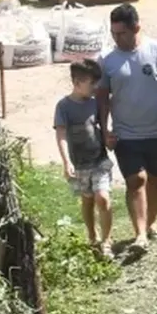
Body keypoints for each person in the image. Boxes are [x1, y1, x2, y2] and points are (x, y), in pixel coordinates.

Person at [98, 3, 157, 255]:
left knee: (155, 178)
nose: (116, 39)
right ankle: (140, 235)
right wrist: (104, 129)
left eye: (121, 33)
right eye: (113, 33)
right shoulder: (107, 61)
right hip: (126, 133)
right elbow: (102, 97)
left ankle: (151, 224)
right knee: (135, 180)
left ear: (136, 27)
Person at [53, 59, 114, 257]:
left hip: (99, 160)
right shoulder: (63, 106)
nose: (95, 88)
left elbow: (103, 124)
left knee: (102, 198)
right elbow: (61, 134)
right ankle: (92, 235)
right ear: (77, 82)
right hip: (79, 162)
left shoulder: (95, 104)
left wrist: (108, 136)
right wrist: (66, 161)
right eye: (91, 84)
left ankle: (107, 241)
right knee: (87, 200)